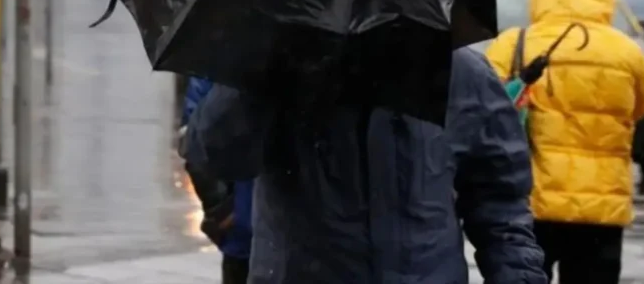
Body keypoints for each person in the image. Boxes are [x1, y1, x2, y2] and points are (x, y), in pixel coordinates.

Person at [181, 49, 547, 283]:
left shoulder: (458, 71)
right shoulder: (280, 63)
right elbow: (212, 154)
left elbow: (499, 200)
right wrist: (263, 69)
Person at [485, 0, 644, 284]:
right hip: (601, 210)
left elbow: (482, 111)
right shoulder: (629, 54)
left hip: (530, 204)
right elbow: (641, 109)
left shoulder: (512, 45)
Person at [179, 77, 254, 284]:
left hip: (313, 239)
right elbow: (194, 142)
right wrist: (220, 208)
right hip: (245, 234)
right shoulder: (223, 61)